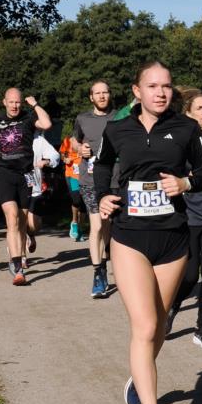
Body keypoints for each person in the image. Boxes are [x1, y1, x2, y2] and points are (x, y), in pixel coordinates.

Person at [94, 60, 202, 404]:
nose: (161, 92)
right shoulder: (117, 129)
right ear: (137, 91)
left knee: (159, 324)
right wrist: (102, 197)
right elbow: (103, 164)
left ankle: (137, 375)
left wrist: (186, 182)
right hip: (129, 238)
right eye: (152, 86)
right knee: (145, 325)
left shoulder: (186, 128)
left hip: (172, 240)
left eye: (166, 86)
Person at [165, 89, 202, 348]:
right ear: (188, 114)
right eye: (200, 108)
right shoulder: (180, 143)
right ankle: (171, 309)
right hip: (190, 217)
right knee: (189, 276)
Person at [0, 89, 51, 286]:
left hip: (25, 174)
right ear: (4, 102)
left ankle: (22, 250)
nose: (15, 106)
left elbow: (47, 124)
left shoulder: (28, 117)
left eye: (18, 102)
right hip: (3, 173)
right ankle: (18, 267)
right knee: (11, 216)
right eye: (11, 102)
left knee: (23, 220)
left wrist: (34, 105)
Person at [73, 81, 117, 298]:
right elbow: (74, 140)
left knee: (108, 224)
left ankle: (107, 255)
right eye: (97, 93)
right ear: (91, 97)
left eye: (104, 92)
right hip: (90, 179)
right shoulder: (82, 119)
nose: (101, 96)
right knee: (97, 224)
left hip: (115, 180)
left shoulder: (121, 117)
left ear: (109, 95)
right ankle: (98, 273)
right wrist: (80, 148)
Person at [26, 130, 60, 259]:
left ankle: (30, 234)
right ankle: (20, 258)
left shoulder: (38, 140)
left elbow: (55, 155)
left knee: (35, 225)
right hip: (15, 186)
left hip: (34, 187)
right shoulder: (10, 137)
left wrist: (46, 161)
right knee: (16, 221)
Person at [59, 134, 87, 240]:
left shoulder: (88, 140)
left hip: (86, 176)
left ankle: (80, 228)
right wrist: (65, 159)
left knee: (84, 203)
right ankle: (74, 222)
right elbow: (62, 154)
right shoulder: (68, 141)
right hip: (72, 176)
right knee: (77, 200)